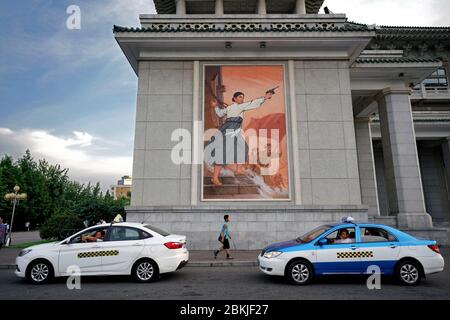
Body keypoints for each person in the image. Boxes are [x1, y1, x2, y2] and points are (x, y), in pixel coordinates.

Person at [205, 90, 273, 186]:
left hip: (236, 130)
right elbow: (220, 114)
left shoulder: (233, 107)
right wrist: (265, 98)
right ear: (235, 98)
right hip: (229, 129)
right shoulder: (234, 107)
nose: (242, 99)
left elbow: (221, 113)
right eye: (240, 97)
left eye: (243, 97)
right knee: (223, 152)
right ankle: (215, 177)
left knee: (243, 148)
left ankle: (238, 170)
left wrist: (217, 107)